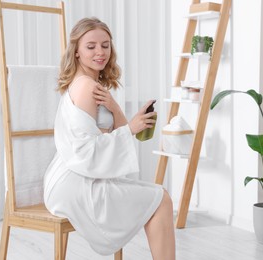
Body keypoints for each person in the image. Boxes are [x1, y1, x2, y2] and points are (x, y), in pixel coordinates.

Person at [43, 17, 176, 260]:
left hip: (80, 176)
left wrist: (116, 109)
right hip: (76, 182)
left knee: (159, 198)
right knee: (161, 200)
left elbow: (115, 133)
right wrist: (131, 129)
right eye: (91, 46)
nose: (100, 52)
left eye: (105, 45)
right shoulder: (86, 87)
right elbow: (86, 150)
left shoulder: (93, 84)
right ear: (76, 52)